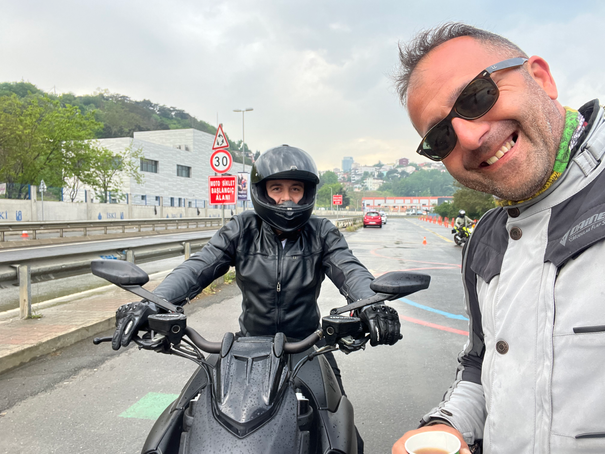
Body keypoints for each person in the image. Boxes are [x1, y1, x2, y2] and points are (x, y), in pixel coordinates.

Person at [391, 22, 605, 454]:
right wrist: (448, 425)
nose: (470, 138)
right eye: (441, 137)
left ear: (541, 78)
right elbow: (481, 363)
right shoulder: (486, 240)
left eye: (477, 97)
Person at [111, 144, 402, 453]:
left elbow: (350, 270)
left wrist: (371, 305)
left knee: (341, 432)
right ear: (262, 191)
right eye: (277, 188)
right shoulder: (242, 228)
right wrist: (152, 304)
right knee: (181, 418)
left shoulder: (321, 232)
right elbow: (197, 267)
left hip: (309, 347)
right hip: (245, 349)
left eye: (295, 189)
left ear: (307, 193)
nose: (287, 198)